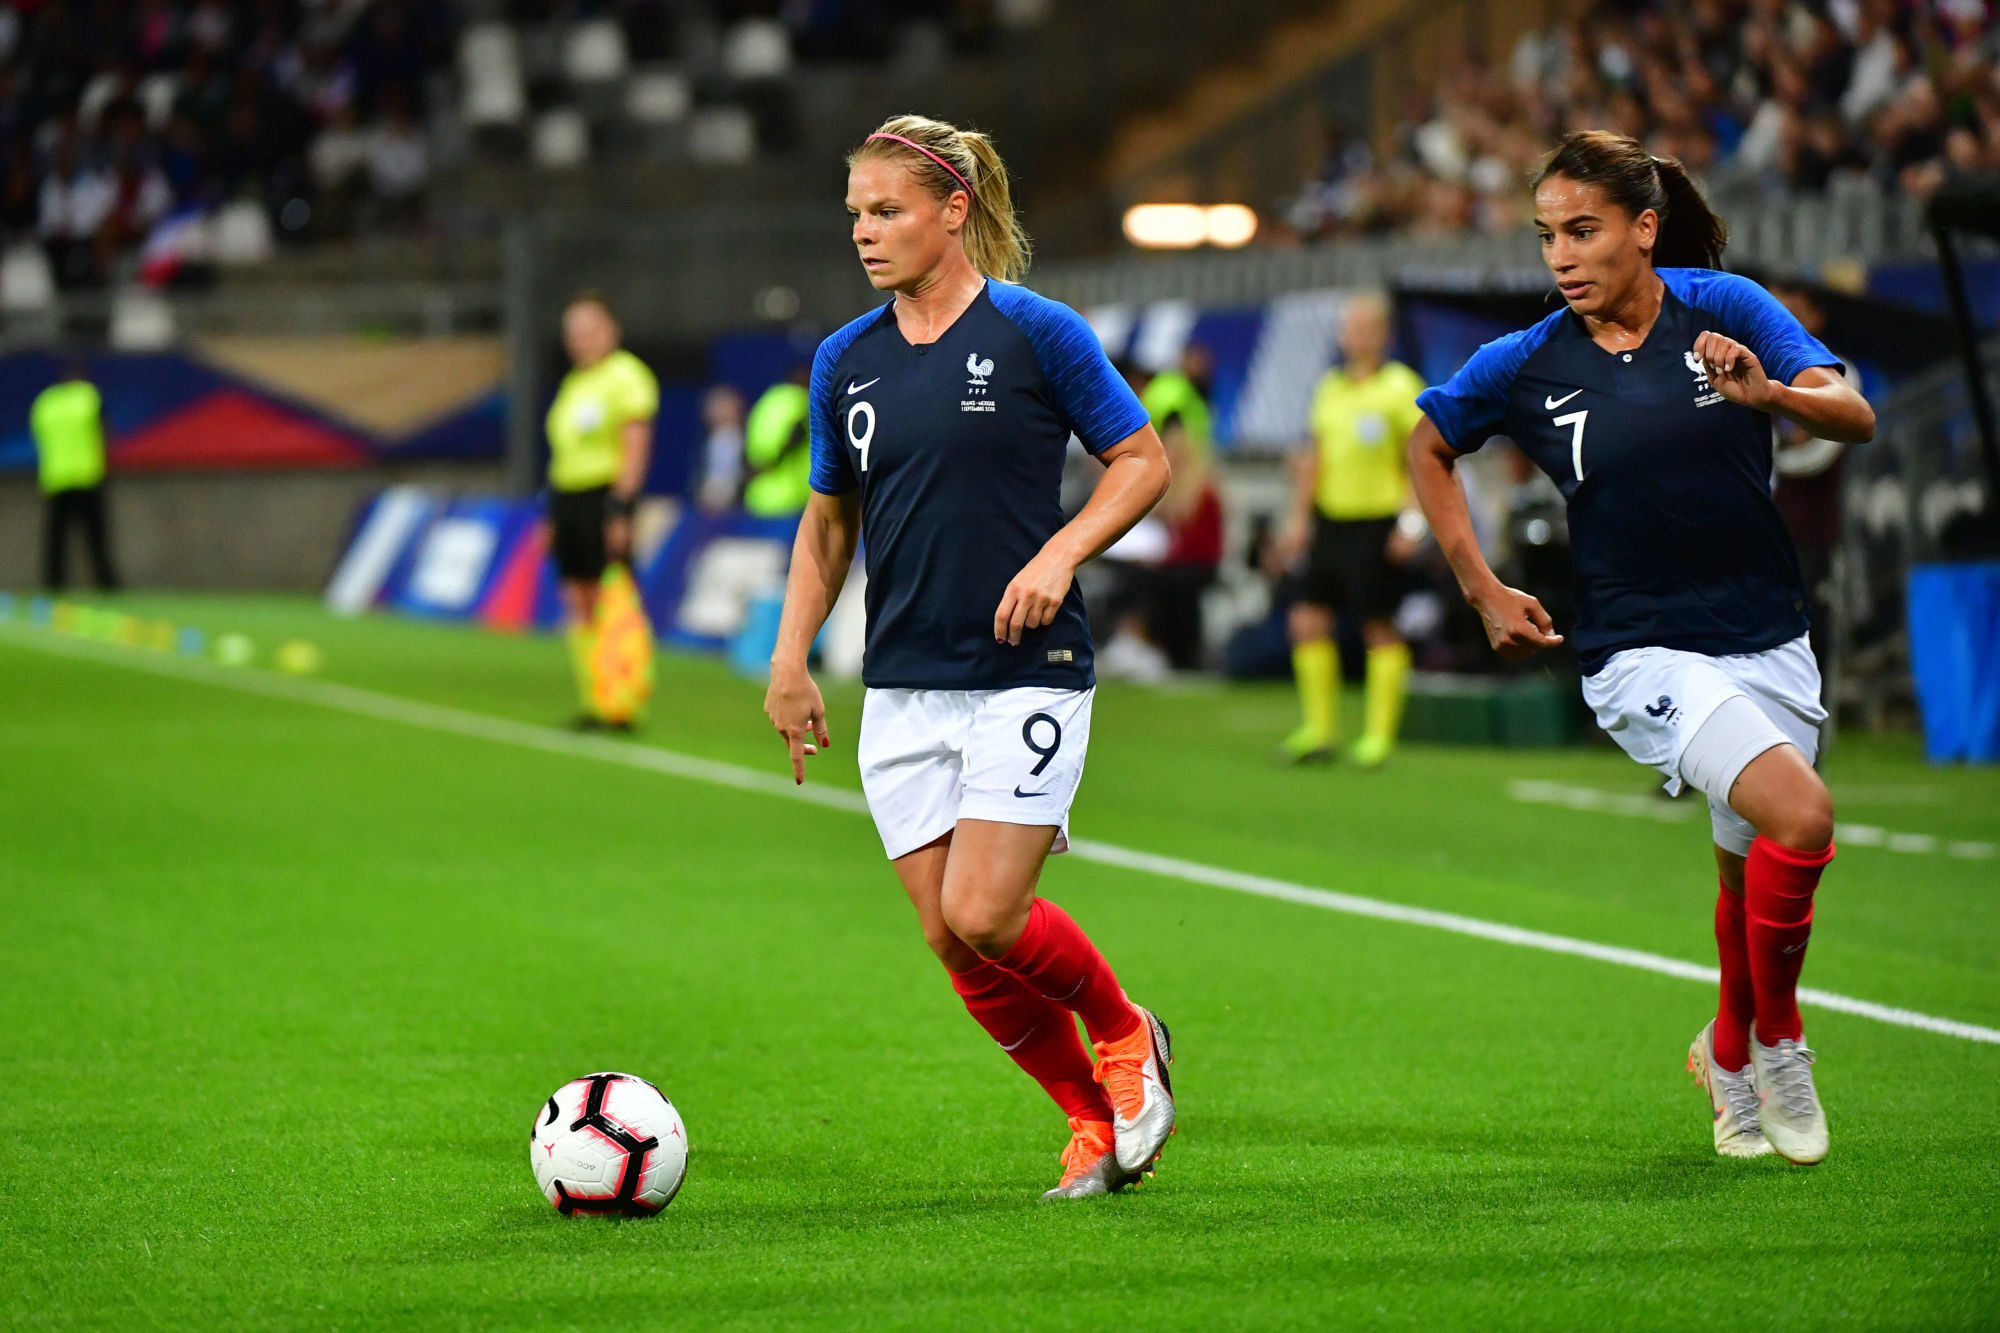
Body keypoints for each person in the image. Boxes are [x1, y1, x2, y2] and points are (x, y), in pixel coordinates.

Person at [1406, 131, 1874, 1165]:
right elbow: (1427, 442)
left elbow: (1852, 413)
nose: (1560, 258)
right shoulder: (1528, 360)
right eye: (1545, 238)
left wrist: (1772, 395)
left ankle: (1722, 1049)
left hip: (1764, 635)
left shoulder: (1727, 309)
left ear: (1643, 229)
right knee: (1799, 816)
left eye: (1582, 231)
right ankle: (1778, 1039)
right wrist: (1479, 586)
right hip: (1634, 653)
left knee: (1744, 868)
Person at [762, 114, 1177, 1200]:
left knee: (985, 913)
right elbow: (826, 525)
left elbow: (1140, 462)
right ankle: (1089, 1118)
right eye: (854, 211)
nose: (864, 230)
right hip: (900, 684)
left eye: (886, 209)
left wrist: (1058, 553)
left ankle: (1126, 1033)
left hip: (1025, 670)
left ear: (953, 211)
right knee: (949, 944)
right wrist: (789, 657)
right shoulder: (841, 360)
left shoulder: (1036, 332)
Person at [1276, 293, 1427, 767]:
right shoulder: (1330, 388)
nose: (1355, 336)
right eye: (1350, 327)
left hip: (1377, 522)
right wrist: (1298, 519)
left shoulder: (1402, 387)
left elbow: (1421, 458)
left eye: (1365, 327)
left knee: (1377, 625)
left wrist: (1411, 522)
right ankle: (1319, 732)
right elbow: (1314, 457)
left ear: (1383, 334)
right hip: (1331, 521)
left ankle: (1379, 737)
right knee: (1306, 621)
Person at [544, 293, 657, 728]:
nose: (581, 340)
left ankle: (624, 699)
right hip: (568, 499)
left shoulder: (626, 376)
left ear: (611, 330)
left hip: (603, 497)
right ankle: (596, 698)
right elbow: (564, 453)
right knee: (578, 598)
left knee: (613, 596)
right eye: (573, 333)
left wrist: (620, 509)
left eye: (589, 329)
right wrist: (553, 515)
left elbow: (634, 447)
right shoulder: (575, 383)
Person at [1768, 279, 1861, 720]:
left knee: (1806, 645)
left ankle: (1809, 752)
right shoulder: (1753, 369)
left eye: (1794, 309)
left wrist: (1773, 418)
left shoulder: (1839, 374)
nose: (1783, 318)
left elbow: (1815, 456)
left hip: (1809, 539)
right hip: (1755, 535)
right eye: (1775, 308)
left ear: (1816, 317)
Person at [33, 359, 119, 592]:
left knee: (56, 537)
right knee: (96, 536)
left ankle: (53, 584)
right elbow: (105, 430)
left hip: (56, 476)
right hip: (86, 474)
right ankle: (107, 584)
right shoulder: (88, 397)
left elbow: (38, 435)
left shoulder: (46, 402)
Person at [742, 367, 814, 518]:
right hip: (790, 496)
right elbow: (796, 434)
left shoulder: (767, 400)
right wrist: (776, 460)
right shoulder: (798, 399)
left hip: (759, 496)